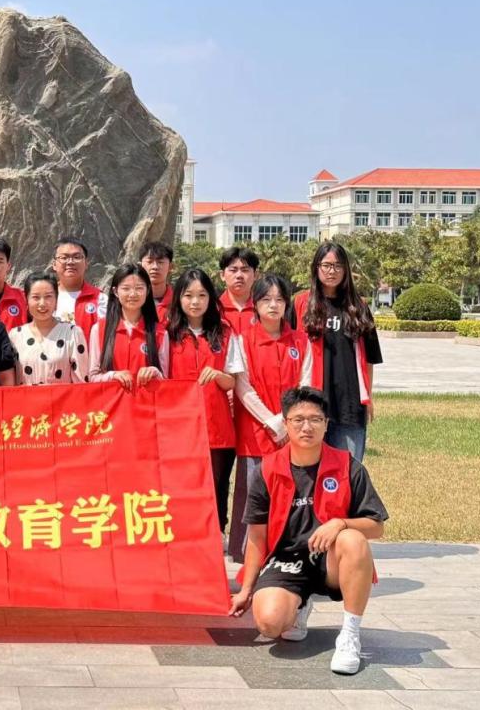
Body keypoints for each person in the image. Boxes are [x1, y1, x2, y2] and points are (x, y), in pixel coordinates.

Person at [230, 386, 388, 675]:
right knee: (269, 623)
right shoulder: (267, 470)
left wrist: (341, 523)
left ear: (327, 425)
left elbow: (376, 526)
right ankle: (298, 606)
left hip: (329, 560)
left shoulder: (348, 467)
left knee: (353, 539)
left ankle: (349, 635)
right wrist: (246, 590)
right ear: (285, 423)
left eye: (315, 419)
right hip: (287, 560)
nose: (307, 427)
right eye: (298, 420)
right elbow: (257, 537)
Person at [227, 274, 312, 563]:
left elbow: (305, 384)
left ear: (287, 304)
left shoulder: (300, 341)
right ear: (256, 303)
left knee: (291, 491)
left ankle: (287, 551)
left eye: (279, 299)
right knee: (252, 492)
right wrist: (273, 421)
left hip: (292, 432)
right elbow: (243, 386)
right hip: (255, 431)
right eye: (266, 299)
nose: (273, 305)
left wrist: (288, 421)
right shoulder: (242, 340)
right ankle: (246, 555)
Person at [161, 268, 242, 539]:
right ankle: (185, 539)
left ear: (211, 298)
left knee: (217, 486)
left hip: (217, 426)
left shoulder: (225, 333)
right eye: (188, 295)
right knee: (182, 486)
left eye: (202, 295)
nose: (195, 302)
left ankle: (216, 538)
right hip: (179, 428)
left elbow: (232, 382)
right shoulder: (167, 334)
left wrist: (218, 375)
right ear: (179, 298)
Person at [295, 242, 383, 462]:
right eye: (326, 265)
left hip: (349, 405)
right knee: (309, 471)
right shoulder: (301, 304)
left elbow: (369, 359)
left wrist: (368, 397)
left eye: (337, 265)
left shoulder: (358, 307)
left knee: (347, 471)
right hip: (311, 402)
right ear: (316, 268)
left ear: (345, 269)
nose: (331, 271)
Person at [88, 264, 164, 390]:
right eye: (126, 288)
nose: (133, 294)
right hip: (112, 401)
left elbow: (166, 380)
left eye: (139, 288)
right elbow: (92, 377)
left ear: (148, 290)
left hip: (146, 401)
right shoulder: (99, 329)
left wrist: (155, 372)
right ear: (115, 291)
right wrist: (112, 375)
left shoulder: (160, 332)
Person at [10, 272, 88, 385]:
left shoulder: (72, 333)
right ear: (26, 300)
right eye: (36, 297)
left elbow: (81, 382)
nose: (42, 303)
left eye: (48, 297)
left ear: (56, 300)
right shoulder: (15, 335)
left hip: (62, 396)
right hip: (25, 396)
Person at [51, 236, 107, 339]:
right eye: (64, 258)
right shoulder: (44, 296)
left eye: (77, 257)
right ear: (54, 264)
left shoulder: (100, 299)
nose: (70, 262)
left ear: (86, 263)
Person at [218, 247, 259, 334]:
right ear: (222, 275)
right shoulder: (213, 309)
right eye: (233, 270)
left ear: (255, 275)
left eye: (245, 270)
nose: (239, 275)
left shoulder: (263, 308)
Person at [139, 241, 175, 325]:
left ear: (171, 267)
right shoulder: (131, 301)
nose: (155, 267)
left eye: (160, 262)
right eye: (149, 262)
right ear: (140, 266)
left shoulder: (178, 301)